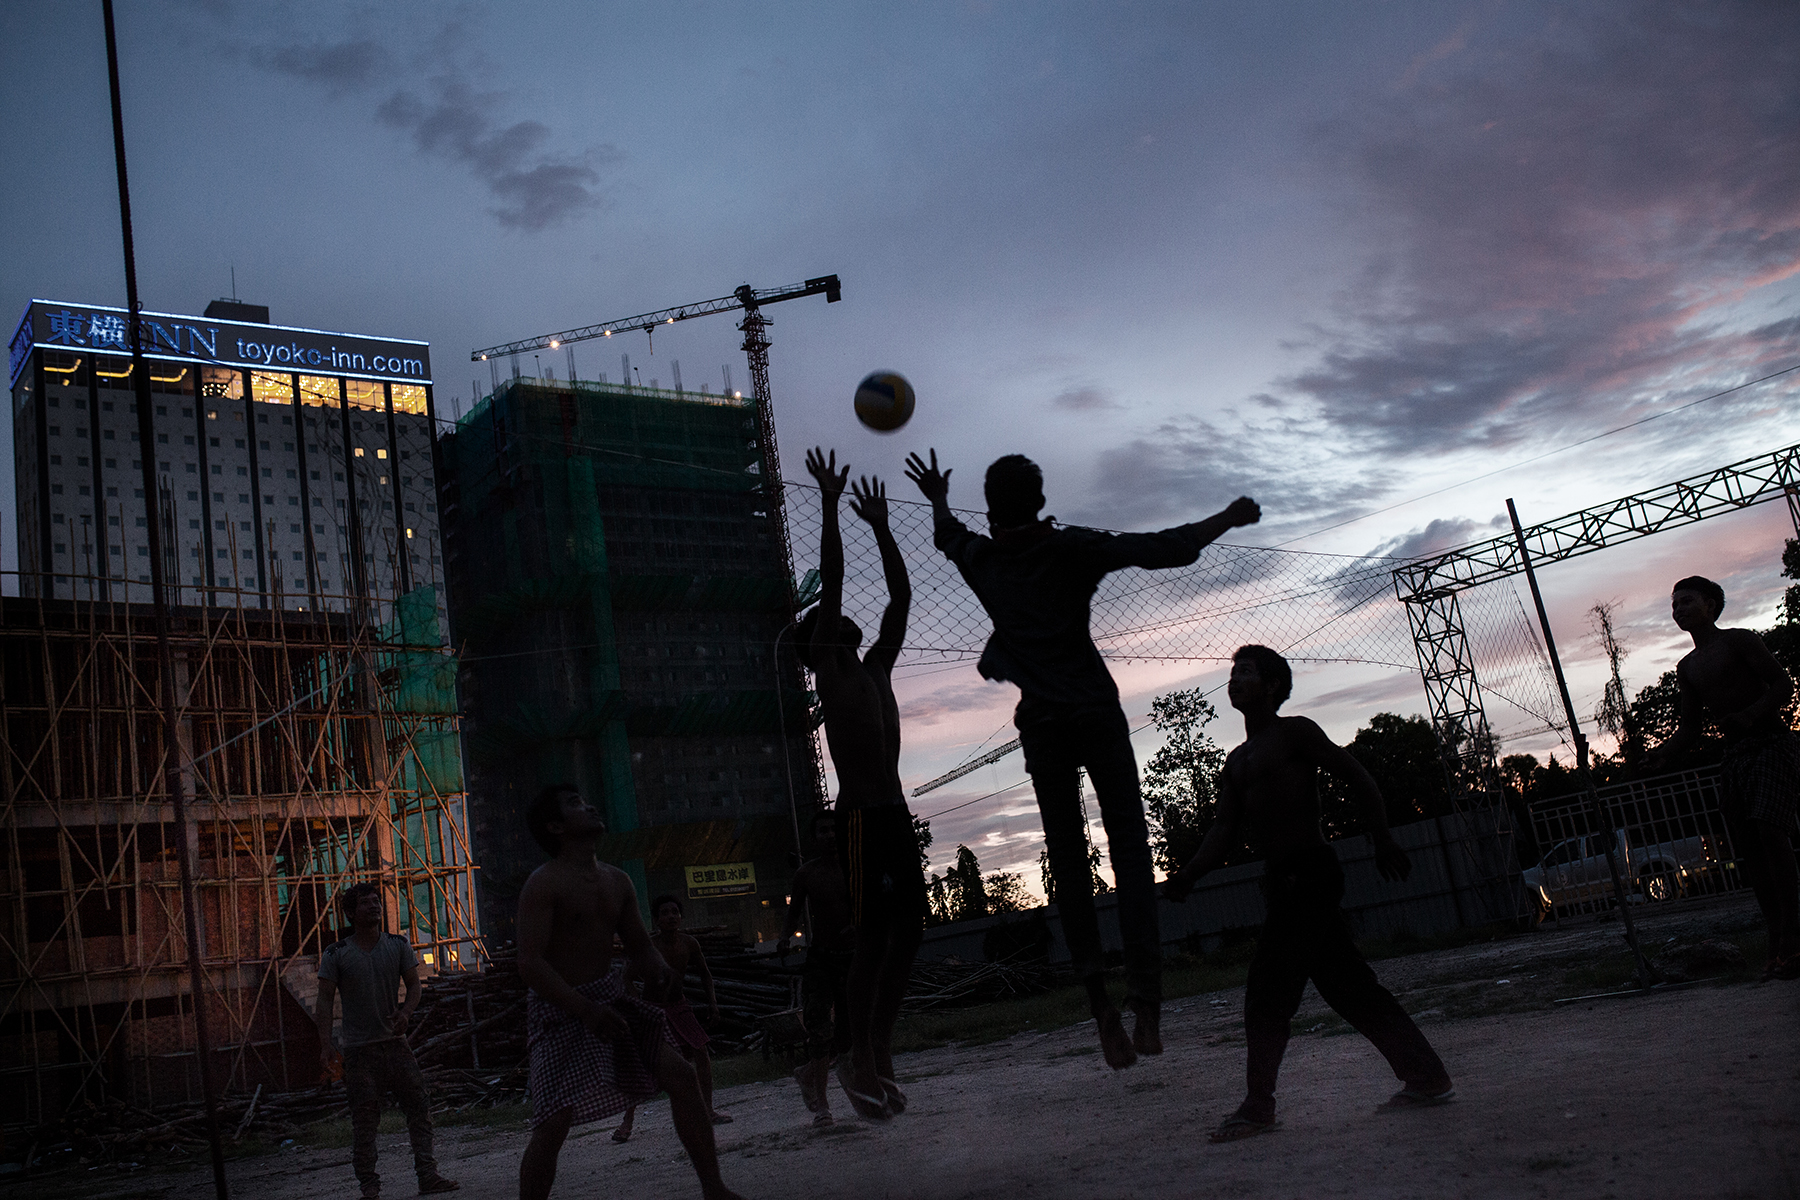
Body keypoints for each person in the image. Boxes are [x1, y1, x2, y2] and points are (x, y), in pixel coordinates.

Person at [906, 448, 1259, 1068]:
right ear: (1040, 504)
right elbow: (1167, 547)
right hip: (1094, 713)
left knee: (1068, 861)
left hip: (1043, 726)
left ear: (990, 509)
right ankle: (1146, 1004)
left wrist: (937, 496)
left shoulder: (984, 561)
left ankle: (1102, 1010)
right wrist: (1228, 516)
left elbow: (947, 536)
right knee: (1129, 851)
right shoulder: (1071, 549)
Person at [1165, 646, 1453, 1141]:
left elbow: (1357, 775)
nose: (1234, 680)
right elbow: (1223, 829)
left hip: (1311, 874)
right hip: (1282, 883)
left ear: (1273, 685)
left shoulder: (1294, 733)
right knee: (1348, 986)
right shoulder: (1236, 762)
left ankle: (1259, 1107)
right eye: (1232, 673)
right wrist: (1189, 874)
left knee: (1267, 992)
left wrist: (1381, 835)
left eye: (1246, 673)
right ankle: (1426, 1076)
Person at [514, 785, 745, 1200]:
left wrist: (659, 970)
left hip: (611, 1002)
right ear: (555, 827)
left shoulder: (617, 881)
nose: (589, 805)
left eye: (584, 799)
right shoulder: (543, 884)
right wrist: (584, 1009)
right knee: (553, 1121)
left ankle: (715, 1189)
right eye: (574, 804)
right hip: (560, 1010)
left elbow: (639, 944)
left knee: (682, 1075)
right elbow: (530, 963)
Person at [799, 449, 923, 1118]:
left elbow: (901, 597)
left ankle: (873, 1045)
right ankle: (857, 1058)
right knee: (873, 936)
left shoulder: (876, 665)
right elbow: (837, 582)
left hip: (895, 812)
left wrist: (880, 523)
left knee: (910, 933)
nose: (837, 620)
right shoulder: (831, 669)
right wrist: (827, 502)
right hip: (858, 820)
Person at [1655, 575, 1799, 979]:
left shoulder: (1739, 641)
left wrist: (1751, 714)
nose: (1678, 609)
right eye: (1674, 604)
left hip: (1771, 743)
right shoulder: (1688, 667)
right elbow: (1690, 729)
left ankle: (1793, 939)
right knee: (1750, 846)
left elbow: (1782, 684)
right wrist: (1660, 755)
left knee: (1771, 831)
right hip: (1735, 755)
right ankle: (1776, 941)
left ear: (1712, 605)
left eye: (1687, 601)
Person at [315, 881, 459, 1199]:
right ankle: (369, 1185)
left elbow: (414, 984)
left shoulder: (397, 945)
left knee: (419, 1107)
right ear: (352, 913)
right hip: (358, 1051)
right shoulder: (336, 953)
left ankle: (427, 1175)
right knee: (365, 1119)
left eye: (377, 901)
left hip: (395, 1044)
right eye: (367, 902)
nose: (376, 906)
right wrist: (325, 1045)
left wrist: (407, 1011)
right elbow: (323, 1000)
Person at [612, 895, 731, 1141]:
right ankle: (627, 1121)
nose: (670, 917)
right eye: (664, 913)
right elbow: (626, 977)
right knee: (643, 1065)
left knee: (701, 1052)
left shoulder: (689, 943)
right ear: (656, 920)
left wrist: (713, 1004)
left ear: (681, 916)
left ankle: (708, 1110)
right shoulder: (648, 947)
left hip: (680, 1006)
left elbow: (705, 974)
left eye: (674, 912)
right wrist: (638, 1007)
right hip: (653, 1008)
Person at [778, 808, 858, 1126]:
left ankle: (807, 1073)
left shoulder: (855, 868)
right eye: (822, 830)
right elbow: (794, 911)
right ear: (814, 838)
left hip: (851, 958)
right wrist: (784, 937)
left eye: (833, 829)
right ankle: (823, 1105)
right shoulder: (807, 874)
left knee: (847, 1035)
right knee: (819, 1030)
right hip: (821, 959)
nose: (829, 835)